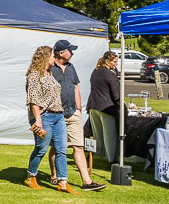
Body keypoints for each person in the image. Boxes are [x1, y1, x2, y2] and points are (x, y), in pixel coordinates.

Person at [48, 40, 104, 192]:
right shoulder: (49, 68)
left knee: (78, 145)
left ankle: (86, 181)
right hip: (55, 113)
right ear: (61, 53)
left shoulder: (71, 68)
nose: (72, 53)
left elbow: (75, 87)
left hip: (73, 112)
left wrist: (78, 108)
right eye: (69, 51)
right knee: (56, 147)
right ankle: (54, 176)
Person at [24, 45, 79, 194]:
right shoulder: (35, 74)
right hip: (45, 116)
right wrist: (38, 120)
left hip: (58, 115)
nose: (54, 58)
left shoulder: (49, 74)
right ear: (45, 57)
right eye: (52, 56)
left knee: (61, 149)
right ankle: (31, 176)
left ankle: (62, 182)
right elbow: (33, 100)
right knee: (41, 148)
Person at [87, 51, 124, 123]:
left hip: (93, 108)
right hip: (106, 109)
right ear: (107, 61)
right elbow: (117, 96)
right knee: (109, 134)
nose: (116, 64)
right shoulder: (110, 75)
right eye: (114, 62)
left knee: (98, 134)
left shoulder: (95, 71)